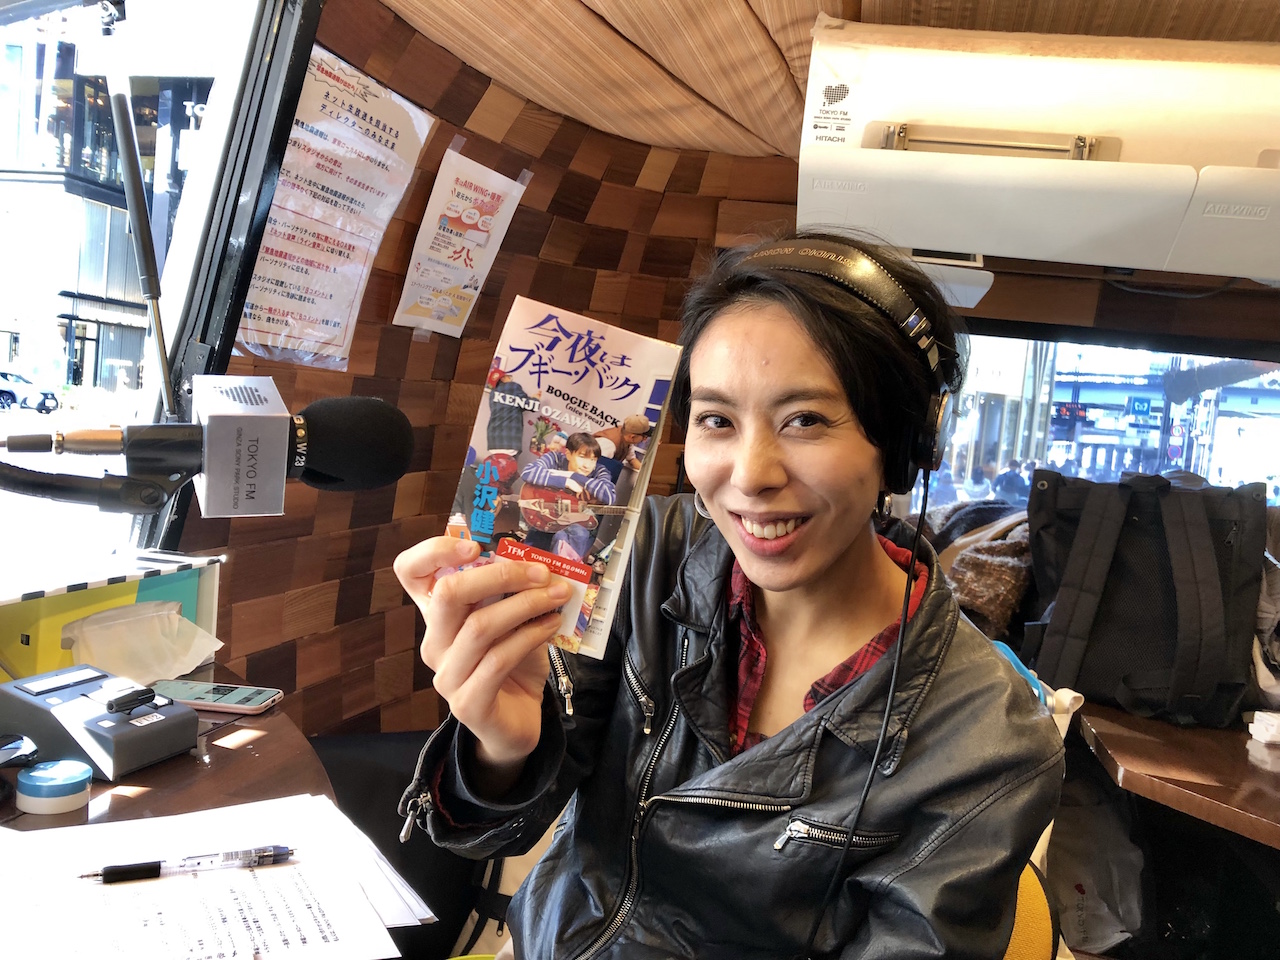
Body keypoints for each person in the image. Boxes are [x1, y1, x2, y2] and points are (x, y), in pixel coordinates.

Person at [394, 232, 1063, 959]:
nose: (749, 476)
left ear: (905, 447)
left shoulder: (989, 742)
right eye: (717, 420)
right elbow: (500, 830)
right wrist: (501, 749)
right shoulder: (645, 552)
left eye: (805, 420)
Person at [518, 432, 617, 559]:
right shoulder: (555, 458)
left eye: (593, 459)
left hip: (576, 525)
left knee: (577, 533)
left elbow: (609, 496)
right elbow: (528, 472)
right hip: (545, 517)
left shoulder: (599, 470)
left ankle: (562, 566)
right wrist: (565, 482)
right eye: (582, 457)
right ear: (568, 454)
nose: (587, 465)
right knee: (531, 555)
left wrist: (574, 476)